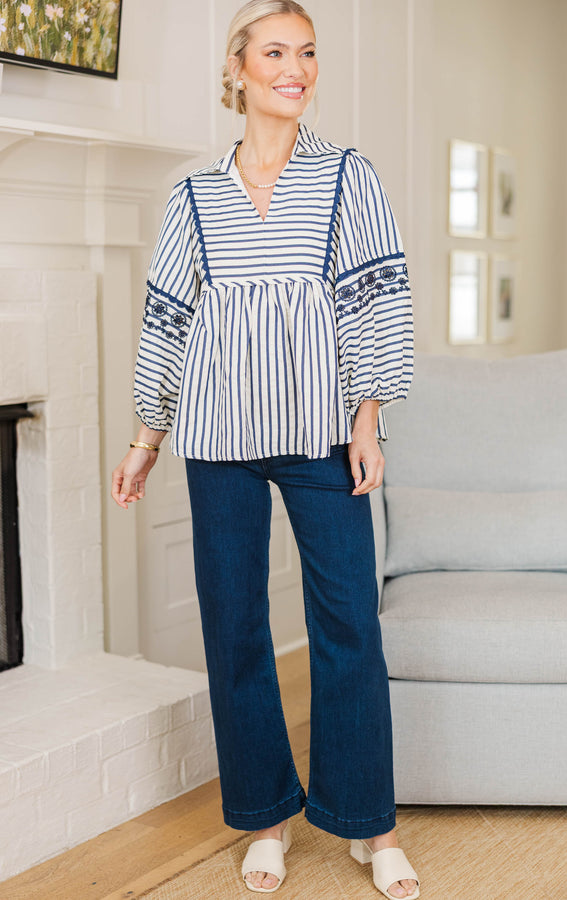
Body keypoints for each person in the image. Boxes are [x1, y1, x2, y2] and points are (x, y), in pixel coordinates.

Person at [111, 1, 418, 897]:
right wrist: (145, 437)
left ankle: (371, 825)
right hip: (217, 438)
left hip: (324, 433)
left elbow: (377, 303)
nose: (296, 67)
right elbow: (167, 318)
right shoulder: (193, 195)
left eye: (308, 52)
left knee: (348, 625)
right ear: (238, 70)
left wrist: (368, 422)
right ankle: (265, 817)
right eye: (276, 52)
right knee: (236, 628)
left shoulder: (347, 176)